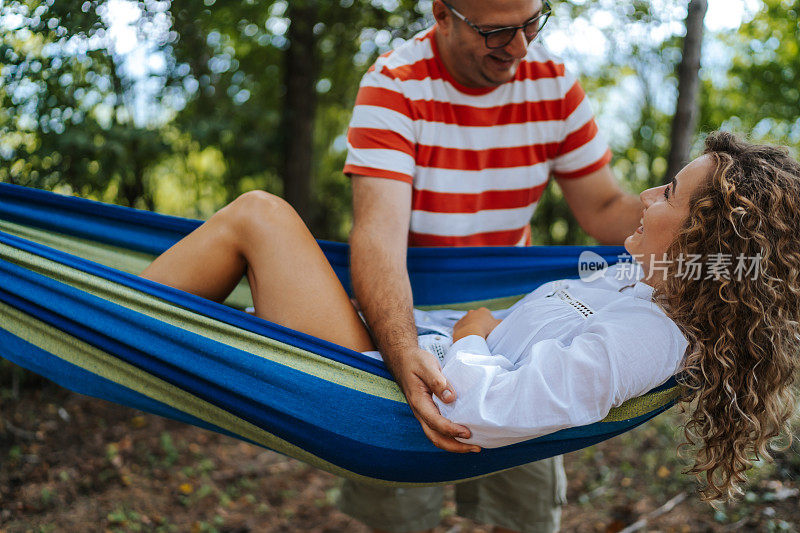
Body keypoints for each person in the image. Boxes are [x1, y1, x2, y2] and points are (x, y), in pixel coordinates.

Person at [142, 132, 800, 506]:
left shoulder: (646, 338)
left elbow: (485, 410)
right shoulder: (653, 288)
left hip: (394, 397)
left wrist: (472, 336)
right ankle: (116, 317)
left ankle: (113, 320)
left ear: (703, 236)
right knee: (257, 236)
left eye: (670, 193)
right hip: (406, 350)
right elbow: (742, 270)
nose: (649, 195)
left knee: (260, 216)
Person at [342, 0, 643, 529]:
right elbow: (377, 239)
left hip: (511, 324)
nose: (521, 47)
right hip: (407, 319)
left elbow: (603, 210)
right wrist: (401, 350)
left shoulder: (551, 82)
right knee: (401, 512)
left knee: (527, 511)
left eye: (533, 21)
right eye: (496, 31)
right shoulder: (396, 83)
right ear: (442, 14)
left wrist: (699, 207)